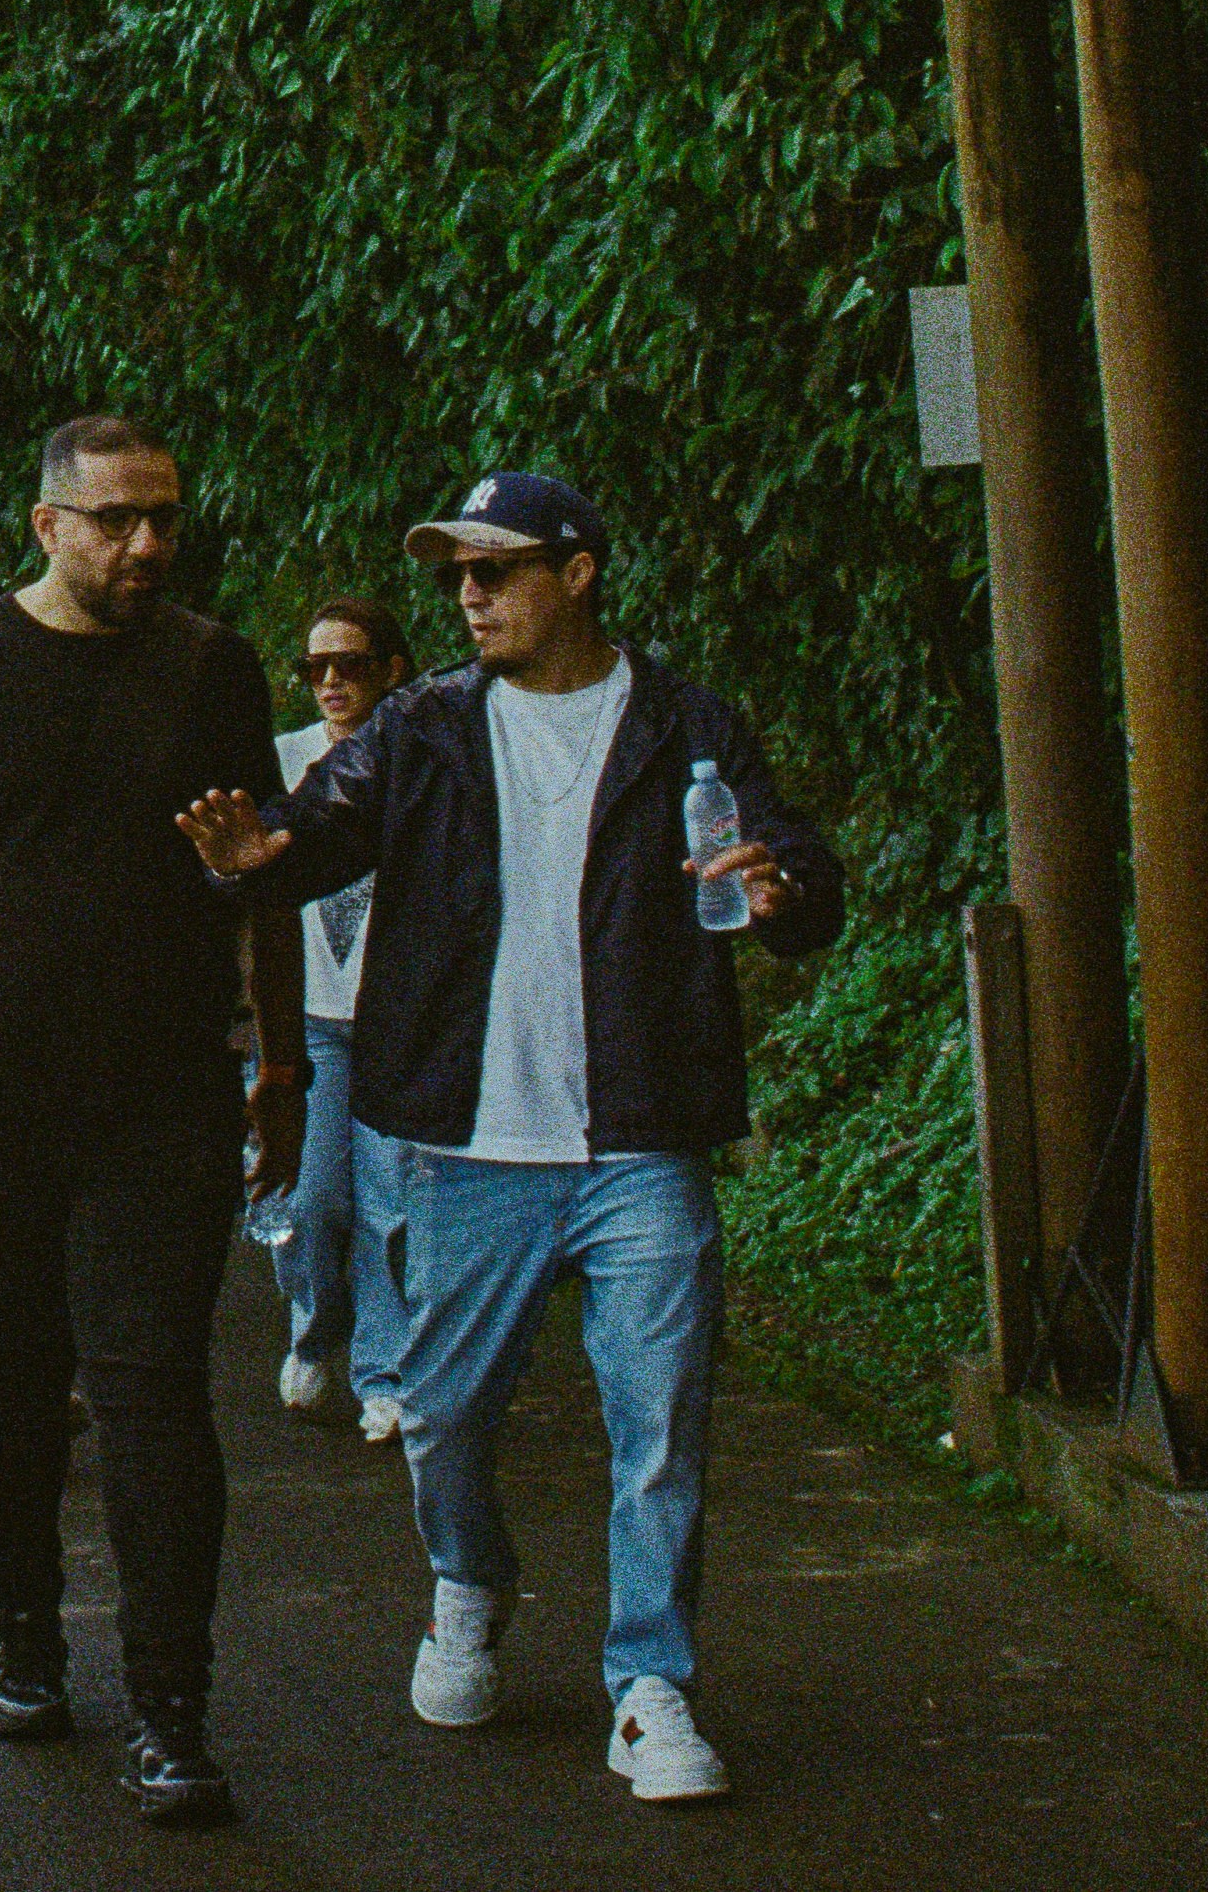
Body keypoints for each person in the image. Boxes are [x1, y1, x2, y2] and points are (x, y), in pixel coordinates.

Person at [176, 467, 845, 1814]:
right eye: (455, 576)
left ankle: (649, 1682)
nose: (469, 593)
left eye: (497, 567)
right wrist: (255, 849)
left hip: (640, 1134)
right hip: (466, 1136)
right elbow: (321, 826)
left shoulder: (687, 723)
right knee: (438, 1414)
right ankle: (471, 1581)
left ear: (579, 569)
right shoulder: (422, 722)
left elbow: (791, 871)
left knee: (658, 1420)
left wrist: (783, 887)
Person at [0, 418, 299, 1832]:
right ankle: (24, 1637)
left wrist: (279, 1055)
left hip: (161, 1088)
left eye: (163, 517)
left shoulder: (213, 663)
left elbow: (258, 864)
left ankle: (173, 1708)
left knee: (157, 1388)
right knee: (18, 1379)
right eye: (113, 520)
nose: (146, 544)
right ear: (47, 524)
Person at [259, 593, 417, 1443]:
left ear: (392, 671)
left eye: (349, 664)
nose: (329, 682)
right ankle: (316, 1332)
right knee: (313, 1197)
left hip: (395, 1021)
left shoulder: (422, 762)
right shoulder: (283, 760)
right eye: (314, 666)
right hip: (310, 1022)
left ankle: (385, 1371)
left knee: (390, 1206)